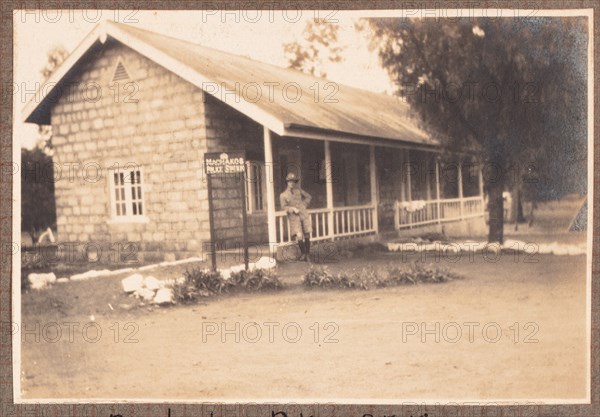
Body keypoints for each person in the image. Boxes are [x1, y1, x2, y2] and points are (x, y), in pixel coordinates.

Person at [279, 172, 312, 262]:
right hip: (294, 217)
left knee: (307, 233)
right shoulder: (283, 195)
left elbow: (309, 197)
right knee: (299, 235)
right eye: (290, 181)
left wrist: (303, 205)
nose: (292, 183)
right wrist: (292, 208)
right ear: (287, 182)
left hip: (303, 215)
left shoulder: (299, 191)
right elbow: (284, 207)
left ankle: (308, 254)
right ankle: (303, 254)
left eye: (293, 181)